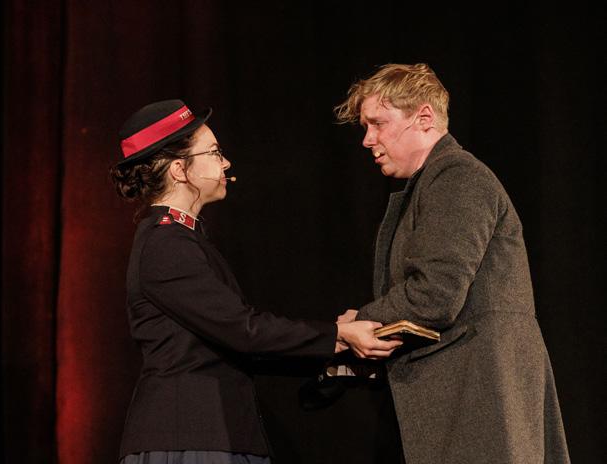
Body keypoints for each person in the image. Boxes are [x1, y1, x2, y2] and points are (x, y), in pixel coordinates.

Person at [110, 99, 402, 464]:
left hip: (213, 435)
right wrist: (337, 335)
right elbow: (243, 331)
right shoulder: (166, 243)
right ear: (180, 170)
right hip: (191, 439)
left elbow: (232, 343)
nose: (225, 163)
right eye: (214, 153)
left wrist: (339, 347)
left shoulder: (182, 239)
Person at [334, 64, 570, 463]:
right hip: (470, 391)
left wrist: (361, 321)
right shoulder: (434, 182)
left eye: (378, 124)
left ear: (424, 117)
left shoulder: (457, 177)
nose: (368, 139)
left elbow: (434, 295)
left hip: (481, 394)